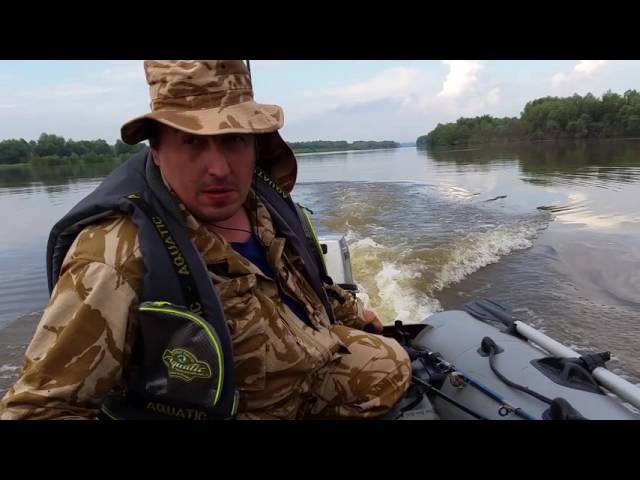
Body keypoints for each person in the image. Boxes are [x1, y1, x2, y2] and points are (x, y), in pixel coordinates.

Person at [0, 60, 410, 420]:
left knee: (391, 364)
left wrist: (352, 313)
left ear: (256, 144)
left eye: (233, 140)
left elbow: (302, 282)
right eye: (192, 141)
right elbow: (39, 409)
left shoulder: (263, 205)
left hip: (304, 376)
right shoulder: (114, 255)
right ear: (156, 149)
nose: (218, 168)